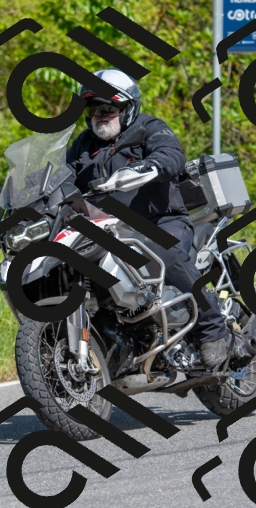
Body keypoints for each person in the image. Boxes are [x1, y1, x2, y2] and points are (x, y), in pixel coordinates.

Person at [65, 68, 228, 370]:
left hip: (159, 221)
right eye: (94, 109)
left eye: (108, 108)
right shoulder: (83, 145)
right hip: (109, 229)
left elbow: (171, 155)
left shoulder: (149, 128)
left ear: (128, 107)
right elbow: (63, 179)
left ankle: (212, 330)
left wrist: (148, 166)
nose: (100, 115)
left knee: (165, 252)